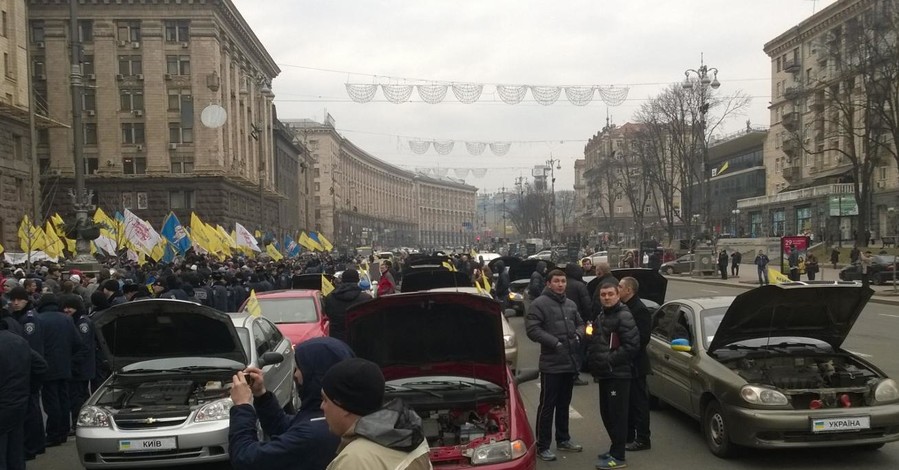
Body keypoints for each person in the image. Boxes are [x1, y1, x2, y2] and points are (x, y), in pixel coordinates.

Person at [229, 337, 355, 470]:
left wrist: (242, 406)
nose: (295, 374)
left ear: (316, 374)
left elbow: (245, 458)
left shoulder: (312, 433)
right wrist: (261, 395)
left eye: (300, 368)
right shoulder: (323, 415)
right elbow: (285, 427)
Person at [320, 358, 431, 470]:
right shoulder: (410, 437)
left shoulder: (355, 461)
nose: (322, 406)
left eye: (325, 400)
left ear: (344, 407)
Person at [525, 269, 585, 461]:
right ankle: (543, 445)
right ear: (548, 284)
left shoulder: (571, 304)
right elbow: (533, 329)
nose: (561, 284)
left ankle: (563, 439)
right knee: (547, 406)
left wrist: (579, 334)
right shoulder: (539, 304)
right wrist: (555, 342)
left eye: (563, 281)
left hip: (570, 361)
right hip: (551, 363)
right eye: (557, 281)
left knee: (564, 404)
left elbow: (581, 324)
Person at [588, 282, 639, 470]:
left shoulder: (623, 315)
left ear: (618, 295)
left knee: (617, 416)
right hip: (606, 373)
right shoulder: (603, 314)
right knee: (606, 413)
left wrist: (609, 360)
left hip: (618, 374)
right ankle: (614, 448)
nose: (607, 297)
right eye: (603, 294)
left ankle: (618, 456)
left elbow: (632, 346)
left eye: (610, 294)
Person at [35, 294, 86, 447]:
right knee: (64, 399)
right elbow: (78, 343)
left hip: (47, 367)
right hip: (65, 366)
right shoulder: (67, 319)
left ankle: (53, 434)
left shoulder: (39, 320)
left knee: (51, 402)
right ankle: (63, 431)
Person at [0, 316, 48, 470]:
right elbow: (41, 367)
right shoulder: (19, 341)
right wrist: (29, 390)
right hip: (18, 403)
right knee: (15, 451)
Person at [618, 277, 651, 452]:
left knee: (639, 403)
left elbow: (643, 338)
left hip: (636, 364)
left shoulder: (639, 310)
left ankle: (643, 438)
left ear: (629, 290)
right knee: (628, 402)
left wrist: (625, 350)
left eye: (620, 286)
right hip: (626, 364)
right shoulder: (624, 307)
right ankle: (629, 436)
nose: (617, 288)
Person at [324, 269, 372, 342]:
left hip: (336, 340)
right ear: (358, 280)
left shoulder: (330, 298)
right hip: (359, 340)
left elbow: (327, 316)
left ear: (342, 280)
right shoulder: (366, 298)